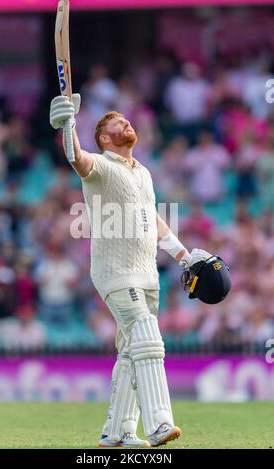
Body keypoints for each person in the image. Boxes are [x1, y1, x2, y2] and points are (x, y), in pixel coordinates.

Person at [49, 93, 213, 448]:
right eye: (115, 122)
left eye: (126, 118)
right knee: (149, 339)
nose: (125, 122)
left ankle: (118, 433)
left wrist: (183, 255)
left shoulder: (143, 173)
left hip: (147, 274)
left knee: (130, 351)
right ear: (106, 139)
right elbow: (77, 159)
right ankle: (159, 424)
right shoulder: (103, 167)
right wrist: (68, 125)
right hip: (116, 272)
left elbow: (153, 220)